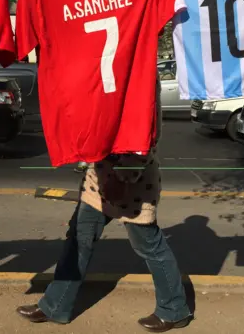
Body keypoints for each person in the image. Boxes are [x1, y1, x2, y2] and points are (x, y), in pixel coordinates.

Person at [16, 79, 192, 332]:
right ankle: (56, 305)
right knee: (78, 238)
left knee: (150, 246)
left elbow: (144, 131)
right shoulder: (107, 63)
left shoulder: (139, 71)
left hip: (133, 184)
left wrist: (124, 174)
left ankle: (175, 310)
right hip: (98, 179)